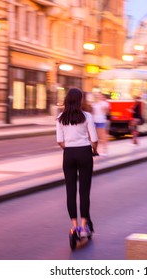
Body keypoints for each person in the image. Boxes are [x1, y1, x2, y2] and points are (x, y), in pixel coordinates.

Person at [56, 87, 98, 237]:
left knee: (70, 191)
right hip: (84, 152)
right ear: (80, 101)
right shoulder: (86, 116)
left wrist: (69, 149)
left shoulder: (61, 118)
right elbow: (94, 139)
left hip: (68, 154)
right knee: (84, 191)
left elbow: (59, 141)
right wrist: (94, 149)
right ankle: (84, 226)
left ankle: (74, 227)